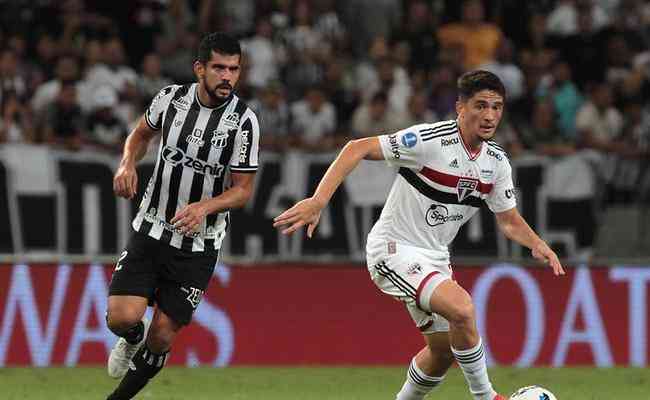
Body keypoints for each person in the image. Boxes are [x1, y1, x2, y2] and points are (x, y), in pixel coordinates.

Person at [273, 70, 564, 400]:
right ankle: (487, 397)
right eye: (481, 105)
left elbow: (508, 220)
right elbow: (357, 148)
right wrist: (318, 200)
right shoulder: (430, 141)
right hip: (393, 249)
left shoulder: (496, 162)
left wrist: (537, 243)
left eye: (496, 107)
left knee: (442, 353)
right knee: (464, 310)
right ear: (460, 108)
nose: (489, 115)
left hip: (435, 258)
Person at [105, 32, 259, 400]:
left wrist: (204, 207)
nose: (227, 77)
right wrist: (127, 163)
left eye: (234, 69)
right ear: (200, 68)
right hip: (152, 227)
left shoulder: (244, 122)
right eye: (219, 68)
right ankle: (130, 337)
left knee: (162, 336)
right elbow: (140, 135)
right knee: (122, 318)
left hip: (198, 244)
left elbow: (243, 190)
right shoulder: (170, 100)